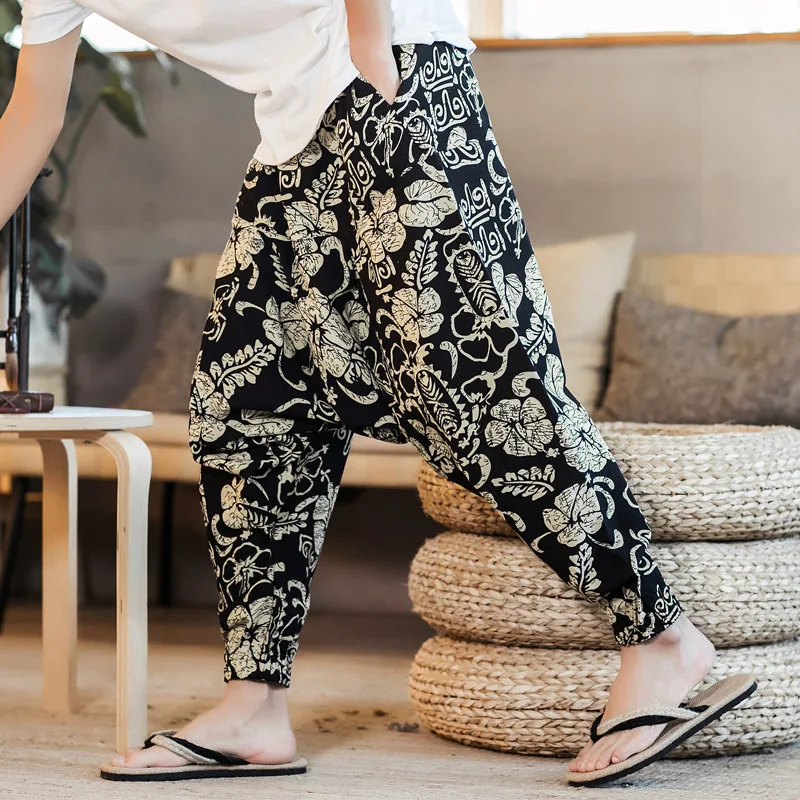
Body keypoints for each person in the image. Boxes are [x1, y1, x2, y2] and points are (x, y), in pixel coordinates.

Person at [1, 0, 755, 787]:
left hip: (391, 71)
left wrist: (373, 51)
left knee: (478, 388)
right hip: (295, 129)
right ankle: (253, 705)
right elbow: (31, 115)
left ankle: (661, 637)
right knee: (248, 406)